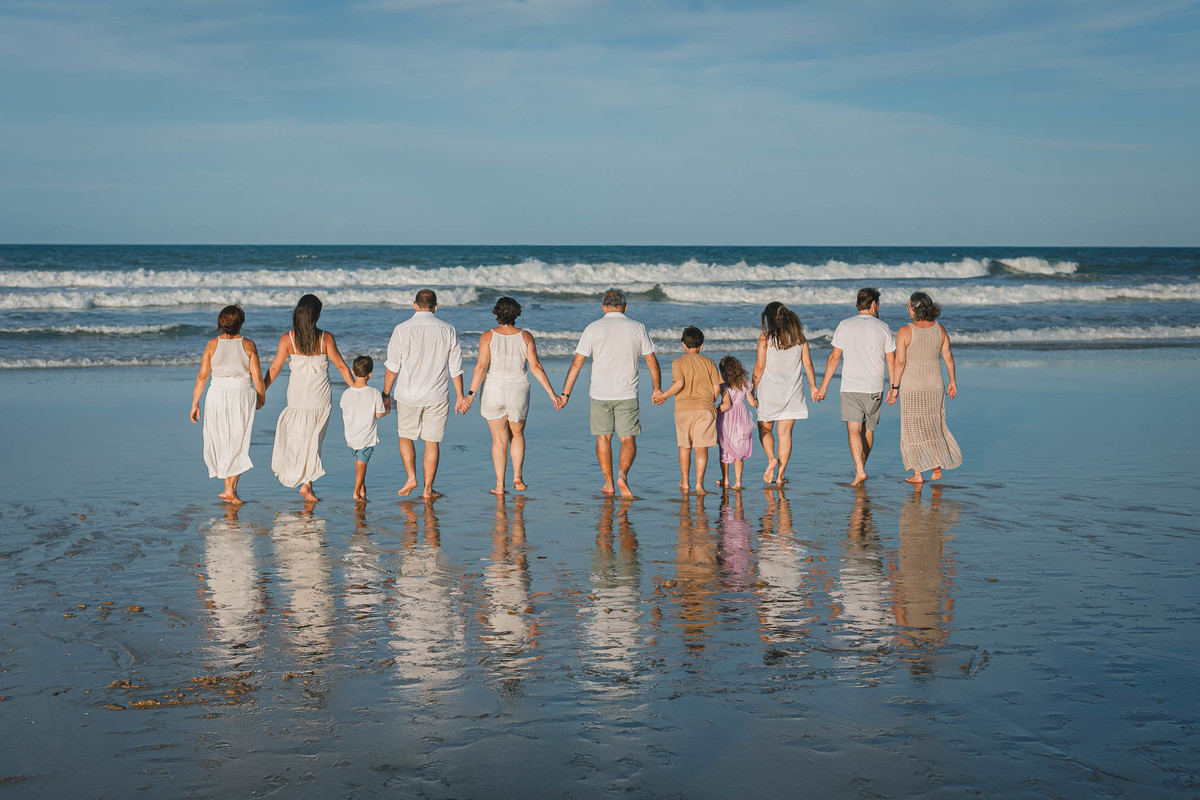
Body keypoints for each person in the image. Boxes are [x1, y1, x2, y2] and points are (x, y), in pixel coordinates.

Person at [559, 288, 662, 499]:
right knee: (627, 438)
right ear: (625, 306)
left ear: (603, 307)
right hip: (627, 392)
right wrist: (657, 388)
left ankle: (608, 483)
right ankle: (622, 475)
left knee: (603, 438)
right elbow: (651, 361)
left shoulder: (593, 328)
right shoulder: (637, 327)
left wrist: (565, 394)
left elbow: (577, 363)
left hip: (600, 393)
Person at [458, 296, 563, 495]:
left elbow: (481, 367)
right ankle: (518, 477)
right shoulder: (526, 336)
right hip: (518, 390)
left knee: (499, 440)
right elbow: (535, 367)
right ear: (517, 314)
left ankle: (499, 486)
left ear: (496, 314)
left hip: (493, 391)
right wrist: (552, 394)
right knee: (517, 434)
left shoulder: (487, 336)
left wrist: (470, 395)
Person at [264, 293, 355, 502]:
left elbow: (275, 368)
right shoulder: (325, 338)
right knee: (314, 440)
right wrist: (356, 388)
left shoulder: (287, 339)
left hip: (297, 397)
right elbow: (341, 365)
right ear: (315, 316)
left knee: (300, 439)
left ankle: (306, 483)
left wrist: (262, 391)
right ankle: (307, 484)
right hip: (319, 398)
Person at [383, 289, 465, 499]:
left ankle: (411, 477)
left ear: (414, 305)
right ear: (435, 307)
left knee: (405, 436)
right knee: (432, 441)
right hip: (436, 395)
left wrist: (385, 393)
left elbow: (393, 366)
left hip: (407, 394)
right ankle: (428, 489)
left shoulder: (401, 329)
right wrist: (461, 396)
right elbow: (455, 368)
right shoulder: (448, 329)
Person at [814, 287, 896, 486]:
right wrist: (894, 387)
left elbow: (834, 358)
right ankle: (862, 468)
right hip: (874, 386)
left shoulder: (844, 325)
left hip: (850, 385)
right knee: (868, 430)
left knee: (853, 428)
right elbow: (891, 360)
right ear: (874, 304)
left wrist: (822, 387)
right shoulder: (883, 326)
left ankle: (859, 469)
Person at [190, 305, 266, 504]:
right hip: (241, 395)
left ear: (220, 323)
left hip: (217, 395)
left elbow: (202, 376)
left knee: (222, 438)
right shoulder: (249, 345)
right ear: (241, 322)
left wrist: (195, 403)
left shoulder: (211, 345)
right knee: (238, 441)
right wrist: (261, 396)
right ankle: (231, 489)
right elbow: (257, 376)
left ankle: (228, 489)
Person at [886, 291, 962, 483]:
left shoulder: (905, 331)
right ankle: (935, 469)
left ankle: (918, 473)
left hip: (912, 386)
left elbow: (900, 363)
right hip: (935, 385)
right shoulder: (940, 329)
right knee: (932, 425)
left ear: (915, 309)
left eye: (909, 306)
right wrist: (952, 381)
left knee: (912, 428)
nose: (908, 309)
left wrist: (894, 387)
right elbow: (948, 357)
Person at [752, 303, 817, 487]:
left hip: (770, 391)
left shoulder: (765, 338)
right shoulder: (799, 337)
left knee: (765, 429)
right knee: (785, 434)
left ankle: (772, 458)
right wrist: (813, 387)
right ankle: (780, 475)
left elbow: (759, 366)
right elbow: (808, 365)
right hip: (793, 392)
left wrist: (750, 388)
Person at [652, 326, 722, 494]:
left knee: (685, 446)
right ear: (701, 346)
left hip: (683, 409)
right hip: (705, 408)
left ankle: (685, 481)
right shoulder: (709, 362)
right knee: (701, 447)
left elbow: (679, 384)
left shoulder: (678, 362)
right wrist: (710, 402)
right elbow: (717, 387)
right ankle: (699, 484)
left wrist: (663, 396)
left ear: (683, 344)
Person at [340, 355, 390, 501]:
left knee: (359, 463)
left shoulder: (346, 393)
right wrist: (388, 409)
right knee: (362, 465)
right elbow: (379, 414)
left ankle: (362, 489)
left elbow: (344, 408)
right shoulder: (373, 392)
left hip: (350, 435)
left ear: (352, 371)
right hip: (366, 436)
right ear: (370, 374)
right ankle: (356, 491)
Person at [715, 354, 756, 490]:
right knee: (739, 451)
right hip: (741, 419)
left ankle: (725, 479)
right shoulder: (744, 384)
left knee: (724, 449)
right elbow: (751, 403)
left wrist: (714, 411)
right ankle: (738, 482)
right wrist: (757, 400)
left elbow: (724, 405)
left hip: (726, 419)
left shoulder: (723, 386)